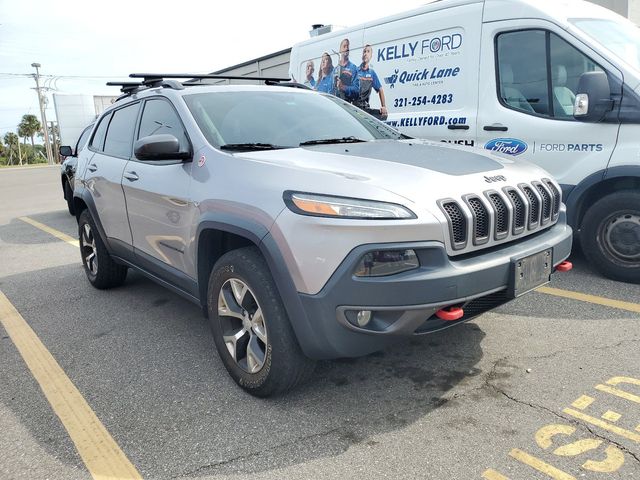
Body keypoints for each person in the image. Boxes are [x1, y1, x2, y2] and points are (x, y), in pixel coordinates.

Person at [356, 44, 388, 120]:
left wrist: (383, 107)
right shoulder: (356, 71)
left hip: (365, 108)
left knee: (382, 116)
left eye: (368, 52)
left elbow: (380, 90)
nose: (365, 54)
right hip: (355, 108)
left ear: (371, 56)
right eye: (364, 52)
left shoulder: (371, 73)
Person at [333, 38, 359, 102]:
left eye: (348, 46)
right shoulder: (335, 70)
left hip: (348, 105)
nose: (347, 48)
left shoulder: (353, 68)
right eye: (344, 46)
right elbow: (331, 90)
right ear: (340, 50)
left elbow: (357, 90)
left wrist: (343, 87)